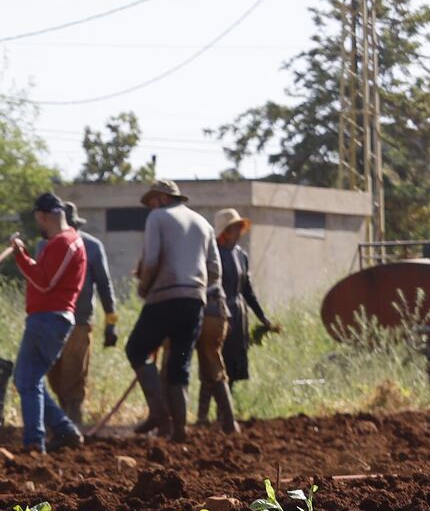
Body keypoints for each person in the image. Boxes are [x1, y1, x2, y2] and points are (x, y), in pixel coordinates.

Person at [125, 180, 224, 442]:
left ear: (163, 199)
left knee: (135, 349)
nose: (151, 207)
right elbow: (215, 271)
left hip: (163, 299)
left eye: (152, 202)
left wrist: (145, 287)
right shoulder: (204, 224)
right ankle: (179, 430)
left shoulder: (157, 218)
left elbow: (152, 259)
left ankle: (159, 414)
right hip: (193, 302)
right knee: (179, 364)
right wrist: (196, 284)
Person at [7, 192, 89, 452]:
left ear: (44, 216)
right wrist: (24, 257)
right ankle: (65, 430)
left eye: (38, 220)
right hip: (49, 318)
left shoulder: (64, 243)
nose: (39, 226)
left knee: (27, 380)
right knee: (30, 379)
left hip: (48, 319)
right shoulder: (65, 242)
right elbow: (45, 277)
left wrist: (20, 256)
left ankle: (34, 442)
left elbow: (44, 282)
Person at [198, 207, 279, 430]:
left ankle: (223, 415)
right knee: (212, 364)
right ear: (224, 231)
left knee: (231, 368)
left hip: (239, 316)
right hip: (217, 314)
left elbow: (248, 291)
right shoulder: (212, 255)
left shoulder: (241, 256)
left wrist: (263, 318)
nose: (238, 232)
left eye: (239, 228)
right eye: (233, 228)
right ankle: (202, 416)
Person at [42, 200, 117, 428]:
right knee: (54, 377)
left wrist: (111, 322)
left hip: (80, 321)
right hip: (50, 321)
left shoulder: (92, 247)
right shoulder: (43, 246)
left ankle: (73, 427)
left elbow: (104, 285)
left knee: (73, 378)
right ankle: (64, 425)